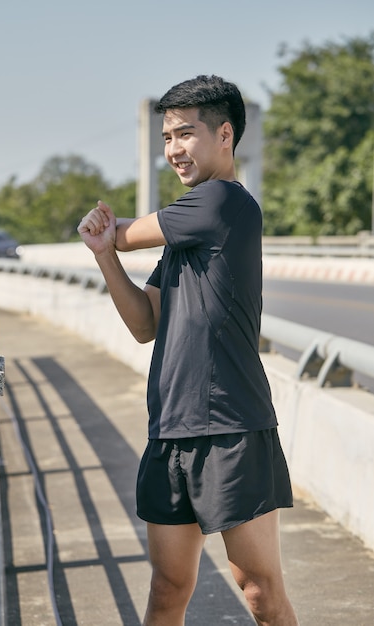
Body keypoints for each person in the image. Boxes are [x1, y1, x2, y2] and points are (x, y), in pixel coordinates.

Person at [77, 74, 299, 626]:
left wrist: (110, 233)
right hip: (171, 428)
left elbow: (126, 231)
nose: (174, 150)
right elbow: (144, 323)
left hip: (230, 425)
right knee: (169, 588)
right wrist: (104, 257)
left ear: (225, 135)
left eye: (185, 134)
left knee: (258, 590)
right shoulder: (187, 236)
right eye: (167, 138)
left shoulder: (222, 201)